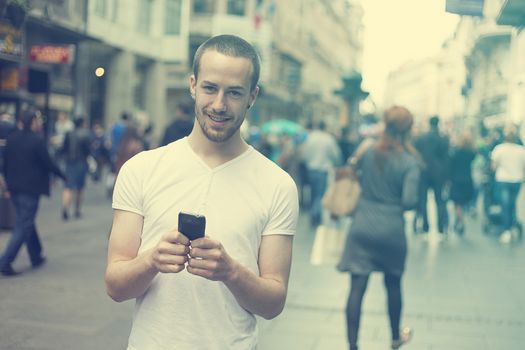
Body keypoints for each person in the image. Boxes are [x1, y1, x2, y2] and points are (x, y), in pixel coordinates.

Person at [105, 34, 299, 349]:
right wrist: (152, 259)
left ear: (252, 96)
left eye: (234, 93)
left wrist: (230, 271)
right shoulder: (141, 169)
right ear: (193, 85)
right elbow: (115, 285)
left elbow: (273, 303)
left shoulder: (277, 185)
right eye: (210, 88)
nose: (219, 105)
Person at [337, 106, 420, 350]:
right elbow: (409, 200)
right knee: (393, 284)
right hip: (392, 229)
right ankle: (395, 338)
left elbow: (351, 173)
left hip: (362, 225)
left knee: (357, 288)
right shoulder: (411, 161)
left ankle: (353, 345)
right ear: (408, 129)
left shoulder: (368, 151)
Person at [0, 109, 66, 276]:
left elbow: (5, 164)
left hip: (14, 189)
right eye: (37, 120)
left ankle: (35, 255)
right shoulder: (36, 141)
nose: (39, 123)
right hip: (29, 190)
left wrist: (6, 185)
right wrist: (63, 176)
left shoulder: (12, 138)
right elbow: (48, 163)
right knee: (24, 224)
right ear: (31, 121)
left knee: (26, 221)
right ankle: (5, 261)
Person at [300, 121, 342, 227]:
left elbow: (304, 154)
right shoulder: (328, 139)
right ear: (325, 127)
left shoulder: (310, 137)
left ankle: (314, 214)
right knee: (319, 195)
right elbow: (336, 155)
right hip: (322, 170)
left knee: (313, 194)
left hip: (311, 169)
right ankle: (316, 214)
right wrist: (336, 163)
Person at [413, 115, 450, 237]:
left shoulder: (421, 139)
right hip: (439, 174)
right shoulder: (443, 139)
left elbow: (415, 156)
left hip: (424, 172)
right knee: (439, 200)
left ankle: (425, 226)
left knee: (423, 200)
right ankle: (441, 227)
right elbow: (446, 159)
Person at [491, 126, 525, 243]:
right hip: (517, 180)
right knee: (512, 204)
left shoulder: (499, 149)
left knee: (505, 205)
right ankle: (513, 225)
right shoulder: (521, 150)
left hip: (503, 179)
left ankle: (507, 230)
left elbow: (493, 166)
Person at [61, 116, 92, 220]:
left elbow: (63, 149)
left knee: (68, 187)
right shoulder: (86, 134)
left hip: (69, 163)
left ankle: (65, 208)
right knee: (79, 188)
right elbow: (88, 150)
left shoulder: (68, 133)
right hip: (81, 163)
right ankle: (77, 210)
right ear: (82, 123)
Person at [449, 132, 476, 235]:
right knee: (462, 202)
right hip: (467, 180)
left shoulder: (456, 152)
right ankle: (459, 218)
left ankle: (460, 221)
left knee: (458, 203)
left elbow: (451, 165)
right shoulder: (471, 153)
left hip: (456, 180)